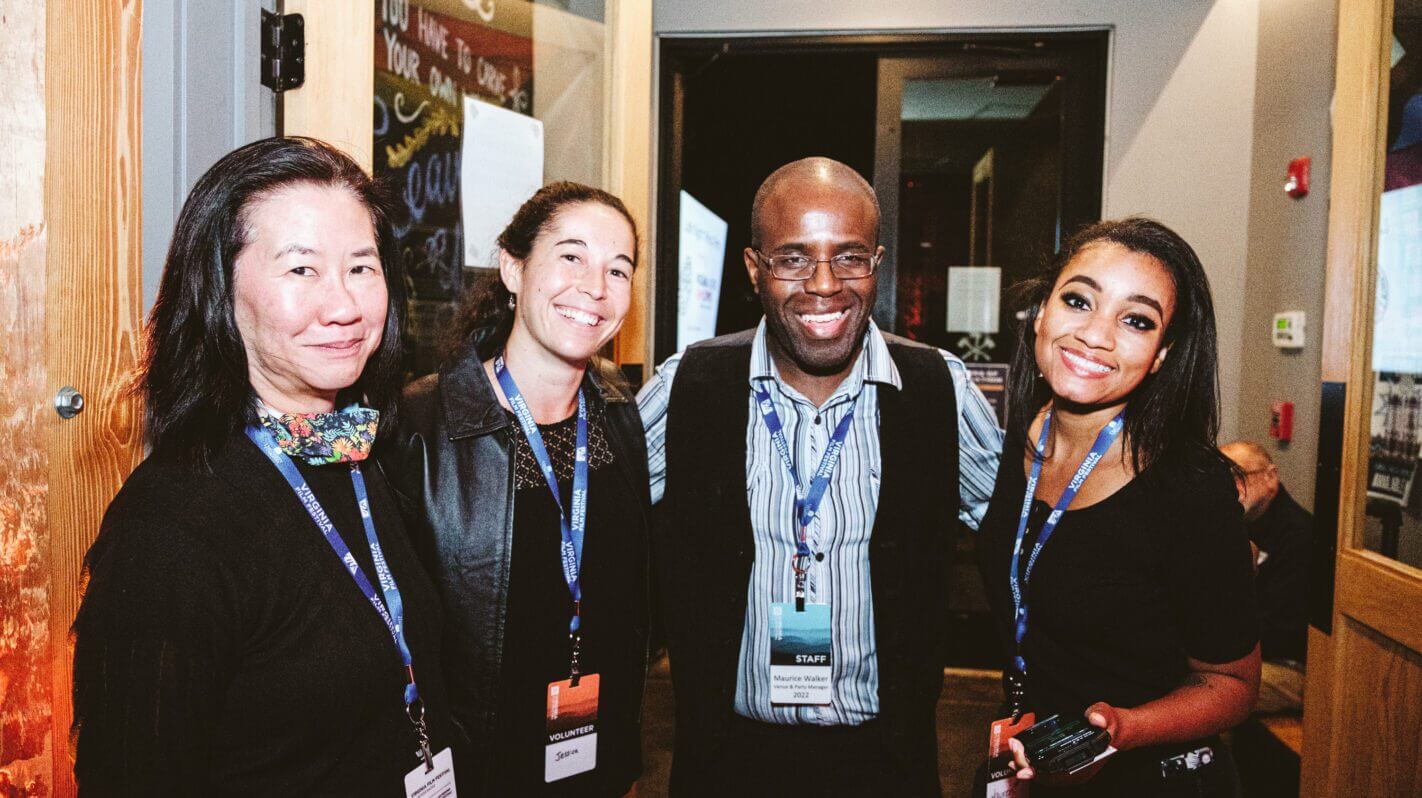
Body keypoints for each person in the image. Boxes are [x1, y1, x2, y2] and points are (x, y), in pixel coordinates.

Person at [72, 137, 459, 795]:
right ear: (221, 289)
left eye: (362, 268)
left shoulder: (354, 451)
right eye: (301, 270)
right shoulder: (173, 526)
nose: (344, 306)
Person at [638, 157, 1004, 796]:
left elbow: (1029, 547)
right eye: (793, 258)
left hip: (887, 764)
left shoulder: (938, 388)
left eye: (850, 256)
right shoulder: (687, 387)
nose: (825, 283)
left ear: (877, 263)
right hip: (726, 762)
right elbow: (588, 531)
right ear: (755, 269)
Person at [380, 182, 651, 796]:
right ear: (513, 266)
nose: (596, 288)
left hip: (592, 757)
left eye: (619, 269)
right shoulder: (419, 427)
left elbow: (630, 608)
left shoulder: (617, 412)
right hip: (479, 770)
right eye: (572, 256)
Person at [977, 218, 1261, 796]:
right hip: (1041, 763)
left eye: (1135, 320)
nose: (1095, 335)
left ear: (1161, 355)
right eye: (1078, 300)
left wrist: (1124, 730)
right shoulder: (1018, 439)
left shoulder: (1188, 487)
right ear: (1041, 312)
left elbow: (1232, 685)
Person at [1221, 441, 1311, 665]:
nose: (1230, 487)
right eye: (1221, 478)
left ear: (1270, 477)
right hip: (1237, 646)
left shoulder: (1300, 535)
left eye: (1239, 476)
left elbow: (1282, 629)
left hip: (1283, 660)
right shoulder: (1228, 524)